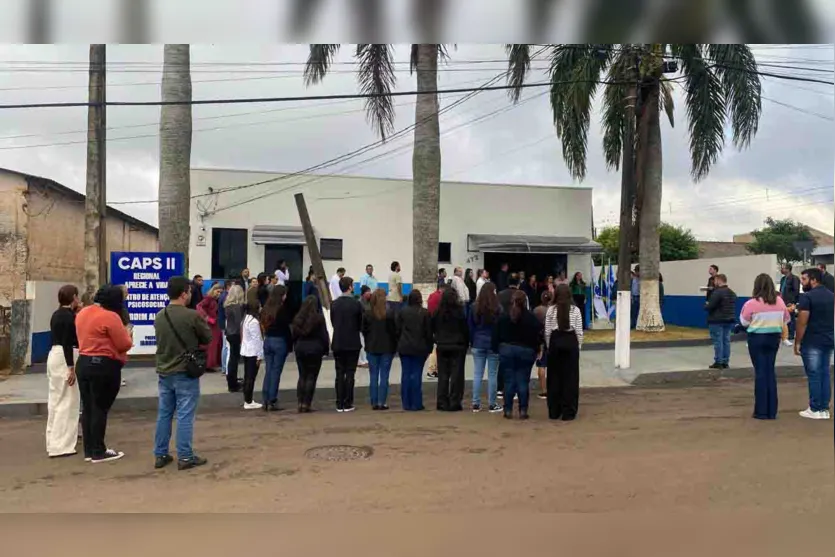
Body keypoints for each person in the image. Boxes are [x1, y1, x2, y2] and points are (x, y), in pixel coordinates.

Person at [153, 276, 213, 471]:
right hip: (185, 371)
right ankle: (185, 456)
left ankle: (161, 454)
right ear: (183, 293)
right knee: (185, 415)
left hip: (164, 370)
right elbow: (207, 337)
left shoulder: (160, 316)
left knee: (164, 414)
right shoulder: (192, 316)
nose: (190, 294)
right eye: (189, 291)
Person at [75, 285, 134, 463]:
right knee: (100, 408)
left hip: (83, 362)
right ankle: (99, 451)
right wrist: (129, 334)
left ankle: (89, 450)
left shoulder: (83, 313)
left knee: (88, 407)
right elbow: (124, 344)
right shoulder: (111, 316)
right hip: (104, 365)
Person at [739, 274, 791, 420]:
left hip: (757, 339)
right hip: (773, 338)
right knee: (769, 372)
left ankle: (761, 411)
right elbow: (786, 319)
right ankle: (771, 410)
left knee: (761, 373)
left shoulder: (751, 303)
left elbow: (743, 322)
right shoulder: (780, 302)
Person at [493, 290, 542, 420]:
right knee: (523, 380)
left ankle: (508, 409)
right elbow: (538, 335)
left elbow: (496, 334)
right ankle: (523, 410)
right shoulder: (531, 318)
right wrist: (537, 349)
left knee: (508, 381)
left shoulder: (504, 317)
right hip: (526, 351)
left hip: (506, 350)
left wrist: (497, 348)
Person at [46, 284, 81, 458]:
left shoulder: (56, 315)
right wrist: (71, 368)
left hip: (53, 355)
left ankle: (52, 441)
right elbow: (68, 343)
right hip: (65, 357)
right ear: (73, 297)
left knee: (55, 400)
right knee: (68, 402)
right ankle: (62, 445)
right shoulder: (69, 317)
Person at [795, 268, 834, 420]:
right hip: (829, 339)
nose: (802, 283)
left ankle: (815, 408)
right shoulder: (832, 296)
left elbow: (802, 322)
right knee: (824, 373)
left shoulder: (807, 297)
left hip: (812, 341)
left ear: (813, 280)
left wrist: (797, 342)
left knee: (814, 374)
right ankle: (824, 409)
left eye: (804, 279)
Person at [543, 284, 584, 420]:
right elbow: (579, 331)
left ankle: (554, 411)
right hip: (570, 341)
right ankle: (568, 411)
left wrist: (550, 347)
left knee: (554, 378)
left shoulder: (550, 310)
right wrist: (578, 348)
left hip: (555, 341)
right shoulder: (575, 310)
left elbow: (547, 331)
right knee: (570, 379)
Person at [432, 288, 469, 412]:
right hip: (457, 345)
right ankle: (454, 401)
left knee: (443, 374)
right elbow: (464, 329)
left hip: (442, 345)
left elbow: (433, 327)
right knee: (456, 375)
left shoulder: (438, 311)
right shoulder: (459, 312)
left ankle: (442, 401)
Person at [291, 295, 330, 413]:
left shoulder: (298, 318)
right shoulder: (318, 319)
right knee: (311, 376)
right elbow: (324, 336)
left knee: (302, 375)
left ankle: (300, 402)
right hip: (315, 348)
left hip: (301, 347)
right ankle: (307, 403)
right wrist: (326, 350)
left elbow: (294, 335)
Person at [396, 290, 433, 411]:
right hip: (420, 347)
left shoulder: (402, 312)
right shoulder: (424, 313)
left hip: (405, 346)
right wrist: (429, 347)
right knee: (416, 374)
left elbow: (397, 329)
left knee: (406, 374)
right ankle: (416, 403)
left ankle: (406, 403)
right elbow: (428, 332)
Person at [331, 275, 363, 412]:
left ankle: (339, 403)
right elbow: (360, 324)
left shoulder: (335, 304)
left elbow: (333, 321)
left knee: (339, 373)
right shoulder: (356, 304)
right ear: (350, 287)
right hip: (352, 342)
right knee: (350, 373)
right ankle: (348, 402)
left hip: (338, 341)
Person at [468, 282, 502, 413]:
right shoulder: (497, 308)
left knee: (477, 374)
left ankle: (475, 403)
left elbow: (470, 327)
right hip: (493, 344)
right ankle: (492, 404)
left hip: (478, 342)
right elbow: (500, 327)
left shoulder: (474, 307)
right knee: (492, 375)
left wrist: (472, 341)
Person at [362, 289, 398, 410]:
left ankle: (374, 402)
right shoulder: (390, 314)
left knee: (373, 375)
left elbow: (364, 331)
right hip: (387, 348)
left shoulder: (368, 314)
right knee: (384, 376)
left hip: (372, 347)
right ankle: (382, 402)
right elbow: (394, 332)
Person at [260, 284, 292, 412]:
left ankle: (265, 399)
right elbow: (286, 329)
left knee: (268, 370)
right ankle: (272, 399)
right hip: (279, 340)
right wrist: (290, 345)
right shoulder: (282, 310)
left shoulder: (266, 308)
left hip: (268, 340)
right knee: (276, 371)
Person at [705, 274, 738, 370]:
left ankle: (718, 361)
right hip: (729, 319)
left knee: (718, 341)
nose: (714, 283)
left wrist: (706, 305)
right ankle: (725, 361)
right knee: (726, 341)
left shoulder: (717, 292)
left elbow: (710, 306)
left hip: (716, 320)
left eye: (715, 281)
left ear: (719, 280)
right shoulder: (732, 292)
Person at [240, 297, 264, 410]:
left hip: (246, 351)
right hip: (253, 353)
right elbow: (257, 340)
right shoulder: (254, 322)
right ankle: (248, 401)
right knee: (251, 377)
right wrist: (260, 356)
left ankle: (247, 399)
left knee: (247, 376)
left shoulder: (246, 318)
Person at [223, 285, 245, 393]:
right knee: (234, 359)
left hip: (229, 333)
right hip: (235, 333)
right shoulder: (237, 307)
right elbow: (239, 322)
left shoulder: (227, 305)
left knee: (232, 358)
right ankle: (233, 384)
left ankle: (231, 380)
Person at [196, 282, 223, 372]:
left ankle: (212, 364)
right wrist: (207, 318)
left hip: (215, 324)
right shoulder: (208, 298)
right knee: (211, 345)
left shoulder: (214, 300)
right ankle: (209, 365)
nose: (219, 294)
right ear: (213, 290)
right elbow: (199, 306)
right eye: (217, 291)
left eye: (220, 292)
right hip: (210, 325)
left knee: (215, 345)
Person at [533, 290, 552, 400]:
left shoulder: (537, 310)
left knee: (541, 365)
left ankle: (544, 390)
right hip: (553, 339)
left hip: (541, 340)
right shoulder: (555, 310)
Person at [425, 283, 446, 379]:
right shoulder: (441, 297)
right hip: (438, 324)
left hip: (430, 322)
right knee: (435, 348)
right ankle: (431, 369)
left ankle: (435, 369)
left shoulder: (432, 295)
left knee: (435, 346)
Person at [779, 263, 801, 346]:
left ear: (788, 269)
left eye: (783, 268)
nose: (782, 270)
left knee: (791, 318)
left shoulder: (794, 278)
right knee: (784, 318)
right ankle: (785, 334)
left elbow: (796, 291)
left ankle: (791, 334)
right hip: (782, 301)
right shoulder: (783, 279)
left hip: (790, 302)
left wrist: (792, 302)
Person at [218, 281, 231, 376]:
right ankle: (225, 367)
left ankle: (224, 367)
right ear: (229, 286)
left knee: (225, 346)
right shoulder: (226, 297)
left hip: (223, 323)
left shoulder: (222, 296)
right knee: (226, 346)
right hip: (226, 323)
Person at [358, 285, 372, 368]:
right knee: (362, 344)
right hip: (362, 326)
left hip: (368, 326)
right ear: (363, 293)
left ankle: (365, 359)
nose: (370, 293)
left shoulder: (370, 301)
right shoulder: (360, 302)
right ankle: (362, 361)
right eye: (368, 291)